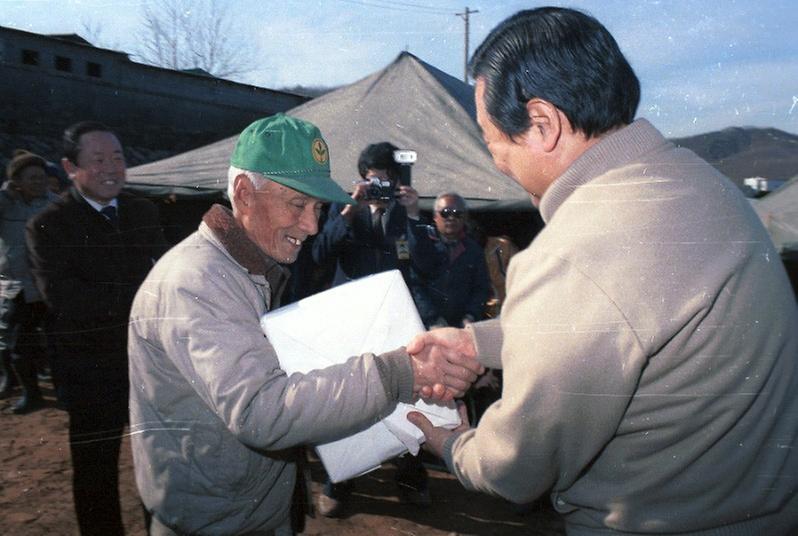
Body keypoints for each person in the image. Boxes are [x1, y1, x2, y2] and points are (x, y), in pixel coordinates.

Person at [407, 7, 798, 535]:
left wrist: (453, 445)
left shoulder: (573, 254)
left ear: (542, 124)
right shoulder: (703, 184)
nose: (495, 157)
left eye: (489, 136)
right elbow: (633, 322)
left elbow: (514, 467)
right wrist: (481, 344)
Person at [126, 114, 482, 536]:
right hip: (217, 522)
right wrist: (397, 373)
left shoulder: (250, 268)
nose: (312, 226)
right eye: (298, 205)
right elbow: (262, 411)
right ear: (243, 193)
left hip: (253, 510)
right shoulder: (198, 281)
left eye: (317, 208)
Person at [27, 121, 169, 535]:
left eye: (118, 158)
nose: (112, 168)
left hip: (149, 367)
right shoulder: (47, 225)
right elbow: (67, 301)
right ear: (70, 167)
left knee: (159, 463)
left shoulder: (144, 211)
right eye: (99, 160)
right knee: (95, 471)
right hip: (89, 369)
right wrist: (143, 300)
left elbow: (164, 276)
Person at [311, 141, 441, 515]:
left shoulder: (408, 213)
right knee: (346, 400)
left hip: (394, 322)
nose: (378, 188)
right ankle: (341, 481)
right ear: (362, 180)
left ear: (397, 181)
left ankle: (411, 476)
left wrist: (415, 215)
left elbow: (430, 266)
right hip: (349, 320)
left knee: (406, 398)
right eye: (371, 181)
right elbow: (320, 254)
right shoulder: (343, 207)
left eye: (384, 181)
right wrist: (350, 211)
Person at [0, 150, 59, 413]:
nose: (39, 182)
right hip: (18, 287)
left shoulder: (56, 203)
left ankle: (64, 391)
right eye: (31, 178)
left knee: (58, 342)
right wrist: (5, 193)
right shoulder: (6, 204)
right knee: (18, 345)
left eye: (42, 177)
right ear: (17, 182)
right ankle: (31, 394)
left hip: (51, 285)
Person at [412, 192, 490, 329]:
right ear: (435, 217)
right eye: (446, 213)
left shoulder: (474, 251)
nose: (451, 218)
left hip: (463, 325)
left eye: (457, 213)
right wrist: (433, 319)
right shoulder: (421, 246)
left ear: (465, 217)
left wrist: (471, 316)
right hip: (427, 325)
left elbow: (481, 288)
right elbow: (415, 286)